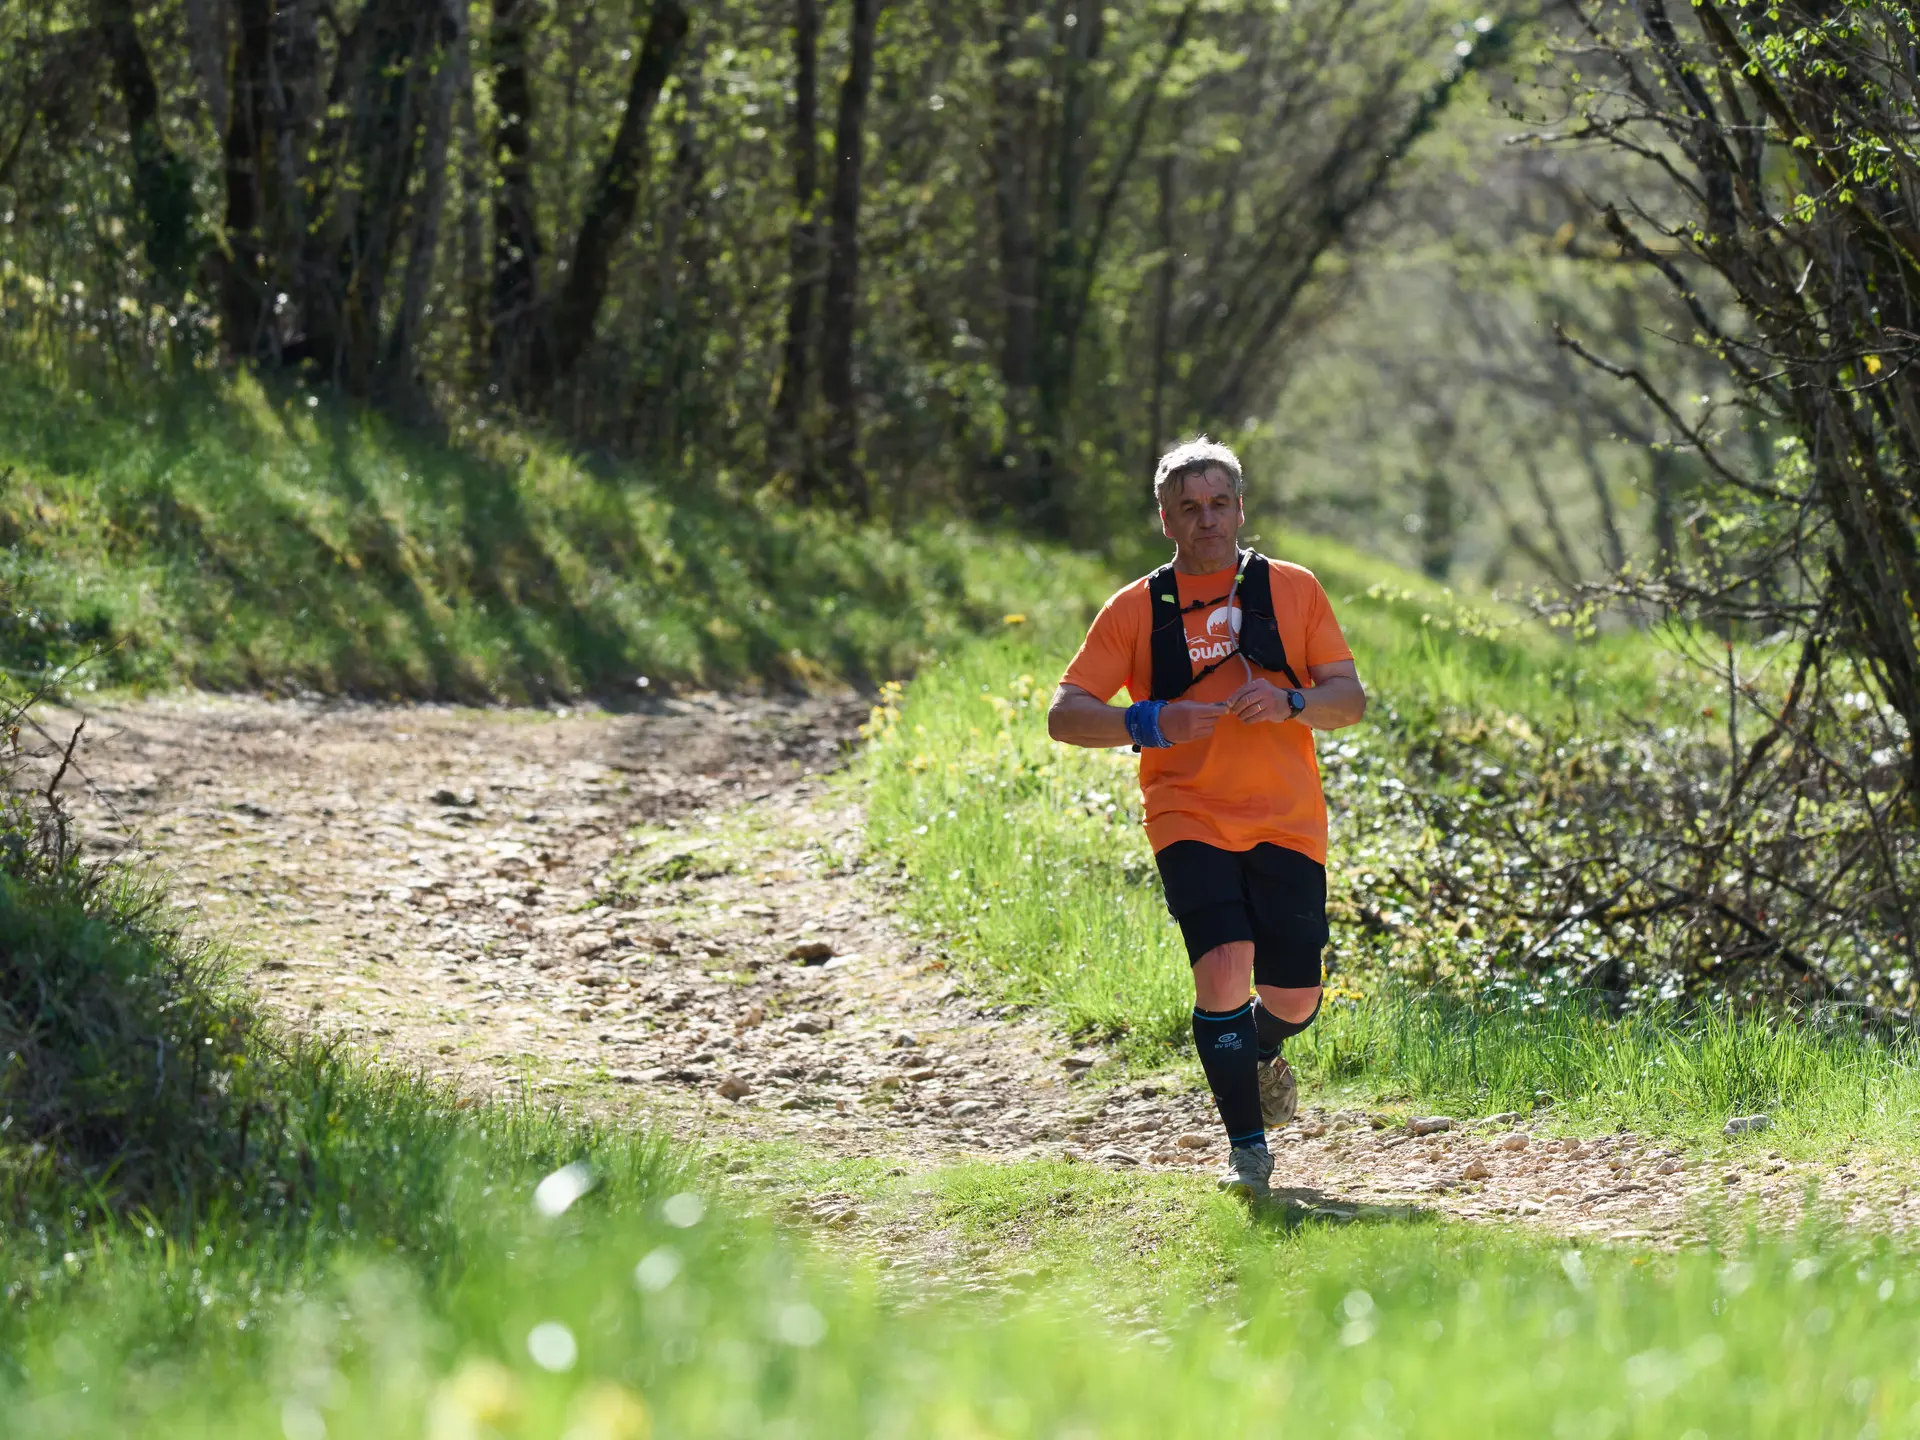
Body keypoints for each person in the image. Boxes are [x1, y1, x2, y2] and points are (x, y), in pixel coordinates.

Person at [1046, 438, 1367, 1199]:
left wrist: (1290, 701)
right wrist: (1149, 722)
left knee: (1295, 997)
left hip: (1287, 817)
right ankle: (1248, 1152)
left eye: (1219, 503)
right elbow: (1066, 714)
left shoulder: (1293, 589)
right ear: (1165, 519)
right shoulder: (1135, 609)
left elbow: (1348, 700)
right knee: (1222, 968)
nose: (1207, 519)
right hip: (1186, 813)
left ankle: (1252, 1052)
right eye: (1188, 507)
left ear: (1240, 509)